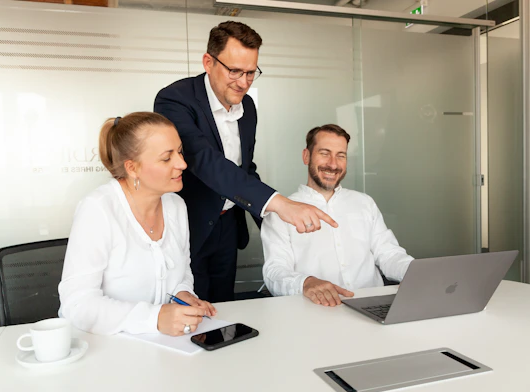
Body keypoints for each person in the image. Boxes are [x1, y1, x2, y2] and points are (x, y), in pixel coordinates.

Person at [154, 21, 337, 303]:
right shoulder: (175, 100)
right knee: (192, 310)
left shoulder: (247, 106)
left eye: (251, 73)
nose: (243, 82)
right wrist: (280, 203)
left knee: (226, 308)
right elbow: (204, 160)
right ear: (208, 62)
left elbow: (244, 169)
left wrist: (274, 219)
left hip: (228, 226)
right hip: (191, 226)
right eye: (235, 71)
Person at [58, 112, 216, 336]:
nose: (182, 163)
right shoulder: (98, 209)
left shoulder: (175, 206)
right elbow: (78, 304)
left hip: (163, 347)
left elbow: (181, 275)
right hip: (102, 350)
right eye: (166, 157)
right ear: (132, 168)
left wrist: (182, 295)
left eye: (179, 151)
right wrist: (155, 318)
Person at [261, 124, 414, 307]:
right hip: (315, 312)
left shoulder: (364, 203)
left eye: (341, 155)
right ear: (306, 156)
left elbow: (388, 253)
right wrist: (306, 283)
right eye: (325, 153)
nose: (333, 164)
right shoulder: (282, 211)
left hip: (374, 308)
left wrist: (416, 273)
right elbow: (274, 271)